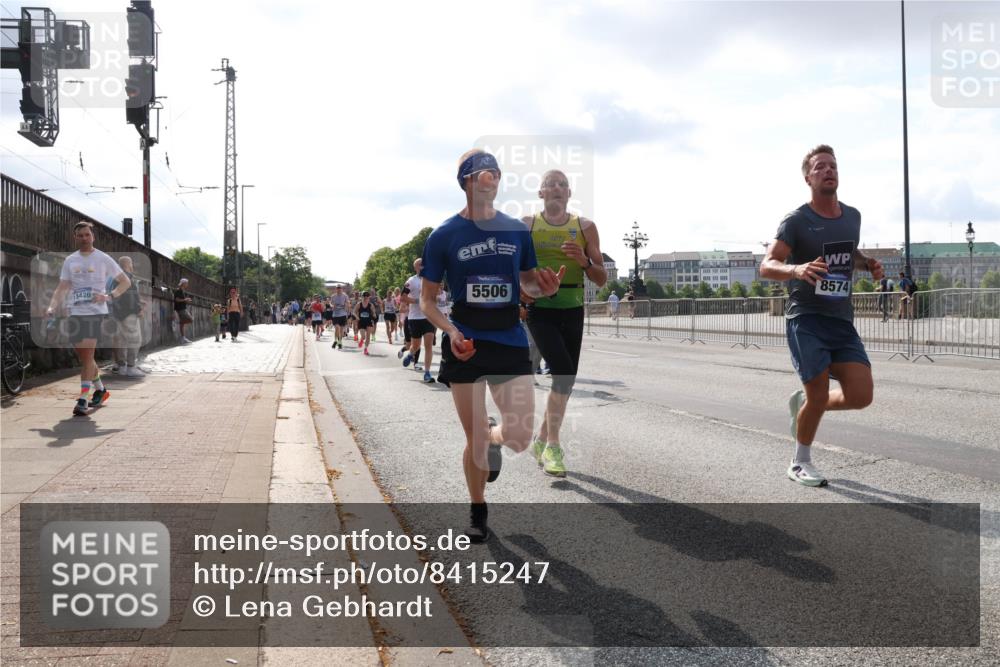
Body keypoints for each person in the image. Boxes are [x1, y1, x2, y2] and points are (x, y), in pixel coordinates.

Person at [419, 148, 563, 542]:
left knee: (517, 436)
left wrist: (542, 288)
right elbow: (427, 301)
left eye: (498, 172)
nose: (494, 177)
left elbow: (529, 283)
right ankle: (477, 510)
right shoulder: (444, 235)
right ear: (467, 179)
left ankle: (494, 439)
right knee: (474, 440)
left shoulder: (516, 230)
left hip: (510, 338)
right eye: (486, 172)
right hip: (466, 341)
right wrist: (449, 331)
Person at [760, 144, 883, 487]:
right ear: (807, 177)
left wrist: (867, 264)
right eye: (820, 167)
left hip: (841, 321)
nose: (828, 170)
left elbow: (849, 253)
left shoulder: (852, 216)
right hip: (807, 319)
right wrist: (797, 269)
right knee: (817, 393)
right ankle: (800, 462)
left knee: (861, 395)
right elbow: (767, 265)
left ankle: (806, 406)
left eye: (833, 165)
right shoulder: (797, 220)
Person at [521, 169, 607, 477]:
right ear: (541, 193)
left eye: (563, 185)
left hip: (572, 308)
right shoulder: (527, 225)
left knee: (565, 380)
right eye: (550, 184)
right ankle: (554, 447)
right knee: (562, 372)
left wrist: (584, 261)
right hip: (539, 308)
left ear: (569, 194)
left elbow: (601, 277)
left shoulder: (585, 227)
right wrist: (529, 292)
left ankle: (542, 438)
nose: (557, 188)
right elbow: (513, 271)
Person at [46, 221, 132, 416]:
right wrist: (52, 305)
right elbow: (63, 287)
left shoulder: (103, 258)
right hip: (74, 312)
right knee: (85, 357)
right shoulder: (70, 260)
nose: (84, 238)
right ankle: (100, 390)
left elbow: (125, 282)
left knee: (87, 355)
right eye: (80, 235)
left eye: (87, 235)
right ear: (75, 238)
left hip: (95, 312)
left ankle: (83, 399)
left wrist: (109, 296)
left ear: (92, 237)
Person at [108, 255, 144, 377]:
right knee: (135, 340)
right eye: (131, 264)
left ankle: (122, 366)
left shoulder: (114, 278)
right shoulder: (127, 278)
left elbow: (116, 295)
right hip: (128, 314)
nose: (132, 266)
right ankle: (131, 367)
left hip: (117, 313)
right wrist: (138, 309)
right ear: (129, 265)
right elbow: (129, 297)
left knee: (121, 341)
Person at [400, 259, 436, 383]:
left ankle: (427, 373)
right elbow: (403, 297)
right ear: (415, 268)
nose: (422, 267)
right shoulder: (411, 281)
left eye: (423, 265)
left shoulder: (431, 279)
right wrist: (417, 301)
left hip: (428, 317)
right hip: (415, 318)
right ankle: (410, 355)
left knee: (428, 345)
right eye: (420, 265)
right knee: (415, 345)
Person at [174, 278, 193, 343]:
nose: (187, 284)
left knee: (184, 322)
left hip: (183, 308)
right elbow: (177, 300)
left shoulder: (182, 291)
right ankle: (180, 324)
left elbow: (181, 300)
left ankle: (183, 338)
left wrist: (186, 300)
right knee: (190, 320)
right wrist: (185, 300)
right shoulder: (178, 290)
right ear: (183, 283)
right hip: (180, 309)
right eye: (186, 283)